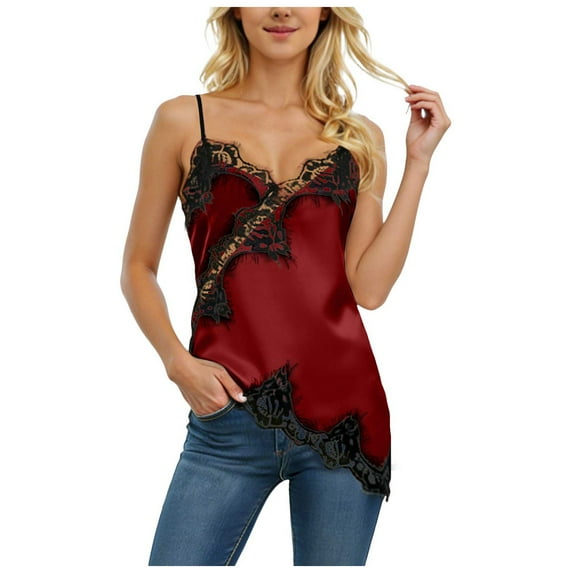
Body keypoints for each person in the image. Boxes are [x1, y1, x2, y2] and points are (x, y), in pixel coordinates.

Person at [120, 6, 450, 567]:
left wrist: (418, 162)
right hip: (227, 420)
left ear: (325, 13)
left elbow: (368, 289)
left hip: (345, 422)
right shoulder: (182, 120)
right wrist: (177, 362)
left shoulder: (358, 137)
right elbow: (137, 267)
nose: (280, 9)